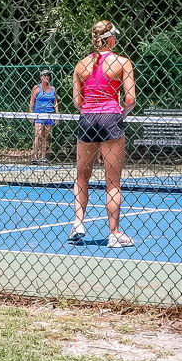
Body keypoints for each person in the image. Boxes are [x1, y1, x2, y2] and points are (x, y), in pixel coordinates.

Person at [69, 21, 136, 248]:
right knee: (113, 182)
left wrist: (92, 112)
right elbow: (130, 99)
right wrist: (119, 115)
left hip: (87, 119)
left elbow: (77, 101)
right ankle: (114, 233)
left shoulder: (80, 65)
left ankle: (78, 223)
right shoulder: (123, 62)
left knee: (81, 176)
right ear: (111, 39)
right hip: (110, 118)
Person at [27, 69, 58, 164]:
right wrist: (31, 113)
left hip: (49, 114)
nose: (46, 77)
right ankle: (34, 156)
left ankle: (43, 156)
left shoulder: (52, 89)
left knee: (46, 136)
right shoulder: (36, 88)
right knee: (38, 134)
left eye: (48, 75)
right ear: (41, 77)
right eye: (44, 76)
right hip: (38, 114)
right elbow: (32, 102)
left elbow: (55, 102)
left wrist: (57, 115)